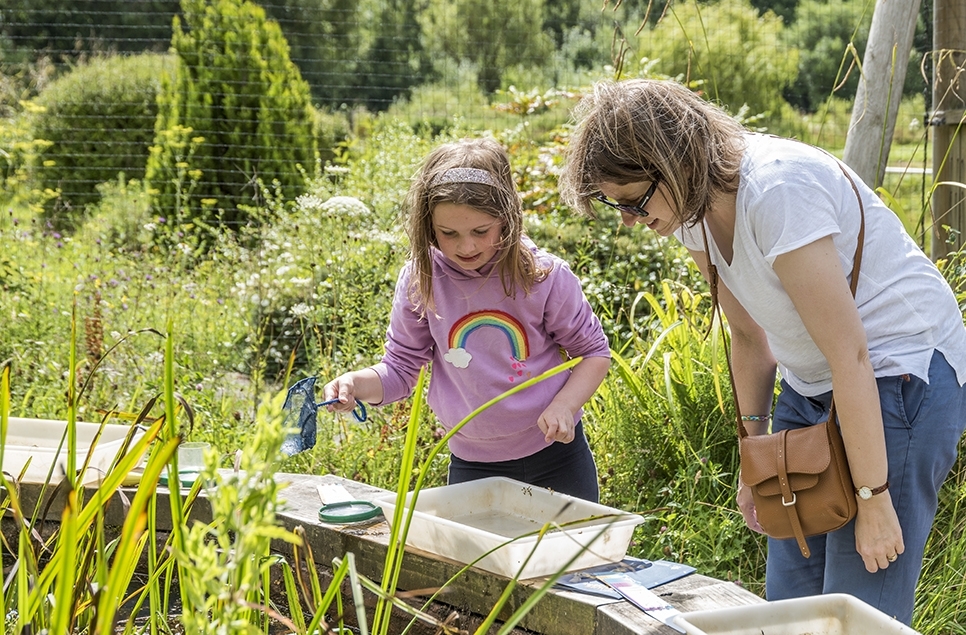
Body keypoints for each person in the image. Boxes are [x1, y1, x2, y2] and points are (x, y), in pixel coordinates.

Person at [558, 78, 966, 623]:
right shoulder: (689, 211)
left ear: (675, 160)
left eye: (633, 201)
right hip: (812, 378)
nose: (629, 220)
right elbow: (750, 338)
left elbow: (852, 355)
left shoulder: (778, 192)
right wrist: (756, 461)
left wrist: (873, 497)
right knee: (790, 603)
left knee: (858, 609)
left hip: (899, 371)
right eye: (616, 205)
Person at [323, 137, 611, 502]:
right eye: (449, 234)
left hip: (557, 457)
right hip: (473, 465)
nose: (466, 247)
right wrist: (352, 383)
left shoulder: (544, 277)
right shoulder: (421, 281)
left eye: (480, 231)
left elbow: (594, 354)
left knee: (569, 559)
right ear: (428, 227)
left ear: (506, 218)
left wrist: (564, 405)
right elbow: (399, 370)